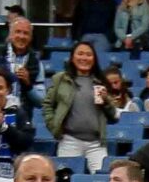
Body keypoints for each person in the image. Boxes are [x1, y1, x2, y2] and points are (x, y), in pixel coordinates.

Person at [44, 39, 116, 172]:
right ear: (72, 57)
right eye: (80, 54)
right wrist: (53, 126)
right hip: (69, 141)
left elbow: (113, 116)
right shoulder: (60, 79)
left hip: (96, 143)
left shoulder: (101, 81)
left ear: (94, 59)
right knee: (66, 180)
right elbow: (47, 105)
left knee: (102, 181)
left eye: (88, 55)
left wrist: (106, 101)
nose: (84, 58)